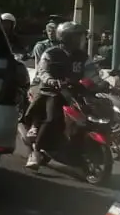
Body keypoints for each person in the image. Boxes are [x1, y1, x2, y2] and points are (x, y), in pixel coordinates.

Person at [28, 21, 92, 170]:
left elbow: (92, 72)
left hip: (76, 92)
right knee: (52, 118)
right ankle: (36, 151)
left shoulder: (83, 56)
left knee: (91, 114)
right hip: (53, 91)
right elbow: (43, 71)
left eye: (81, 37)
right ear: (66, 38)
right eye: (77, 37)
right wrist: (51, 80)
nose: (80, 40)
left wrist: (101, 83)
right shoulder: (51, 53)